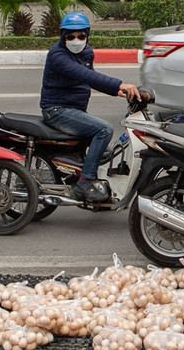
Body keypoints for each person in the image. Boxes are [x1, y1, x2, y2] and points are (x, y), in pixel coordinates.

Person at [38, 12, 140, 205]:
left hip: (75, 110)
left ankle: (89, 177)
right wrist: (119, 84)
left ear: (87, 36)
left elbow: (90, 79)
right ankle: (85, 182)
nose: (76, 40)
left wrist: (118, 91)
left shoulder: (86, 53)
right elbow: (85, 75)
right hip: (57, 110)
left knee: (107, 152)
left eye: (81, 36)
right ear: (63, 37)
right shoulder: (57, 55)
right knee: (104, 130)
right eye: (70, 37)